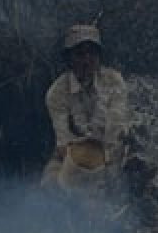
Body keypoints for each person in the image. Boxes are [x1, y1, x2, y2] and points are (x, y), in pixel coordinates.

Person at [42, 24, 128, 190]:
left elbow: (116, 127)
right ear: (69, 59)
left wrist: (106, 163)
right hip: (73, 153)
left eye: (92, 53)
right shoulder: (56, 93)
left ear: (99, 57)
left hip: (114, 150)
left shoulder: (114, 81)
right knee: (48, 184)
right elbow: (63, 139)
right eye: (80, 54)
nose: (86, 60)